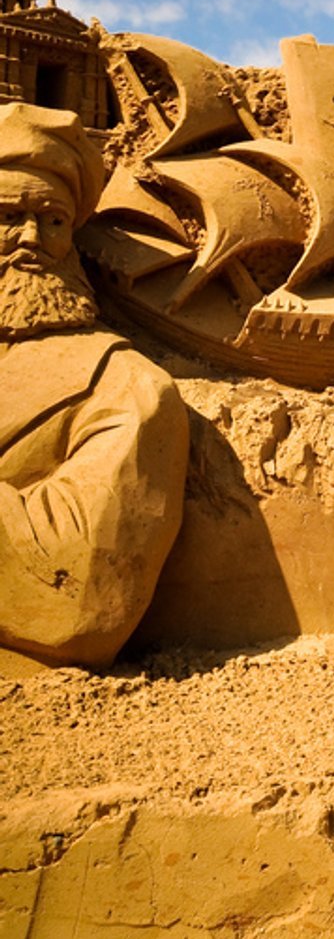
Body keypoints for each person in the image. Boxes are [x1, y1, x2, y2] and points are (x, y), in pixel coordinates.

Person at [0, 103, 187, 673]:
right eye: (6, 216)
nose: (31, 238)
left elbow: (78, 595)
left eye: (53, 219)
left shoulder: (126, 384)